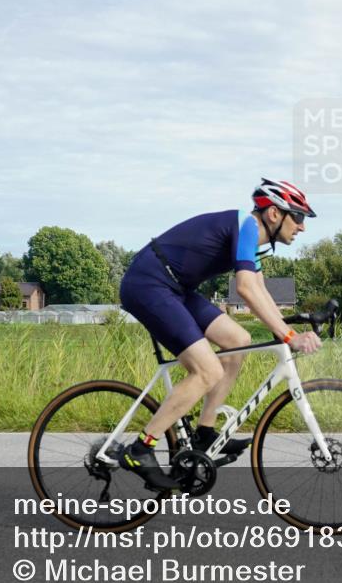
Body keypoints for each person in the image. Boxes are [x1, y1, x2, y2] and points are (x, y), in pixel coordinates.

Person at [117, 178, 322, 488]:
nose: (302, 227)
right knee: (207, 370)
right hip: (149, 284)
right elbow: (243, 288)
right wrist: (291, 337)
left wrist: (287, 329)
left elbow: (258, 288)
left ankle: (204, 434)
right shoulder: (247, 225)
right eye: (298, 217)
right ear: (274, 214)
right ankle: (141, 448)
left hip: (176, 288)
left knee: (238, 340)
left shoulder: (251, 236)